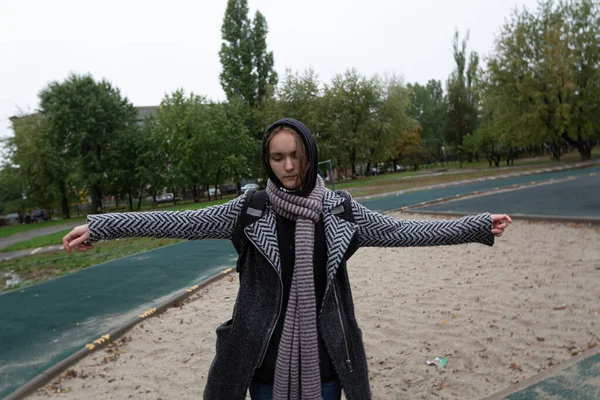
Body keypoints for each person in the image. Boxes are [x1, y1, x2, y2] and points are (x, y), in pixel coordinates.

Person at [63, 118, 511, 400]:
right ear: (267, 160)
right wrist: (103, 227)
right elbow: (180, 222)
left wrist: (473, 225)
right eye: (277, 158)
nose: (288, 167)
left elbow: (403, 231)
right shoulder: (250, 209)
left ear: (309, 155)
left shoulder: (339, 210)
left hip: (329, 360)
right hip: (262, 362)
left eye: (295, 156)